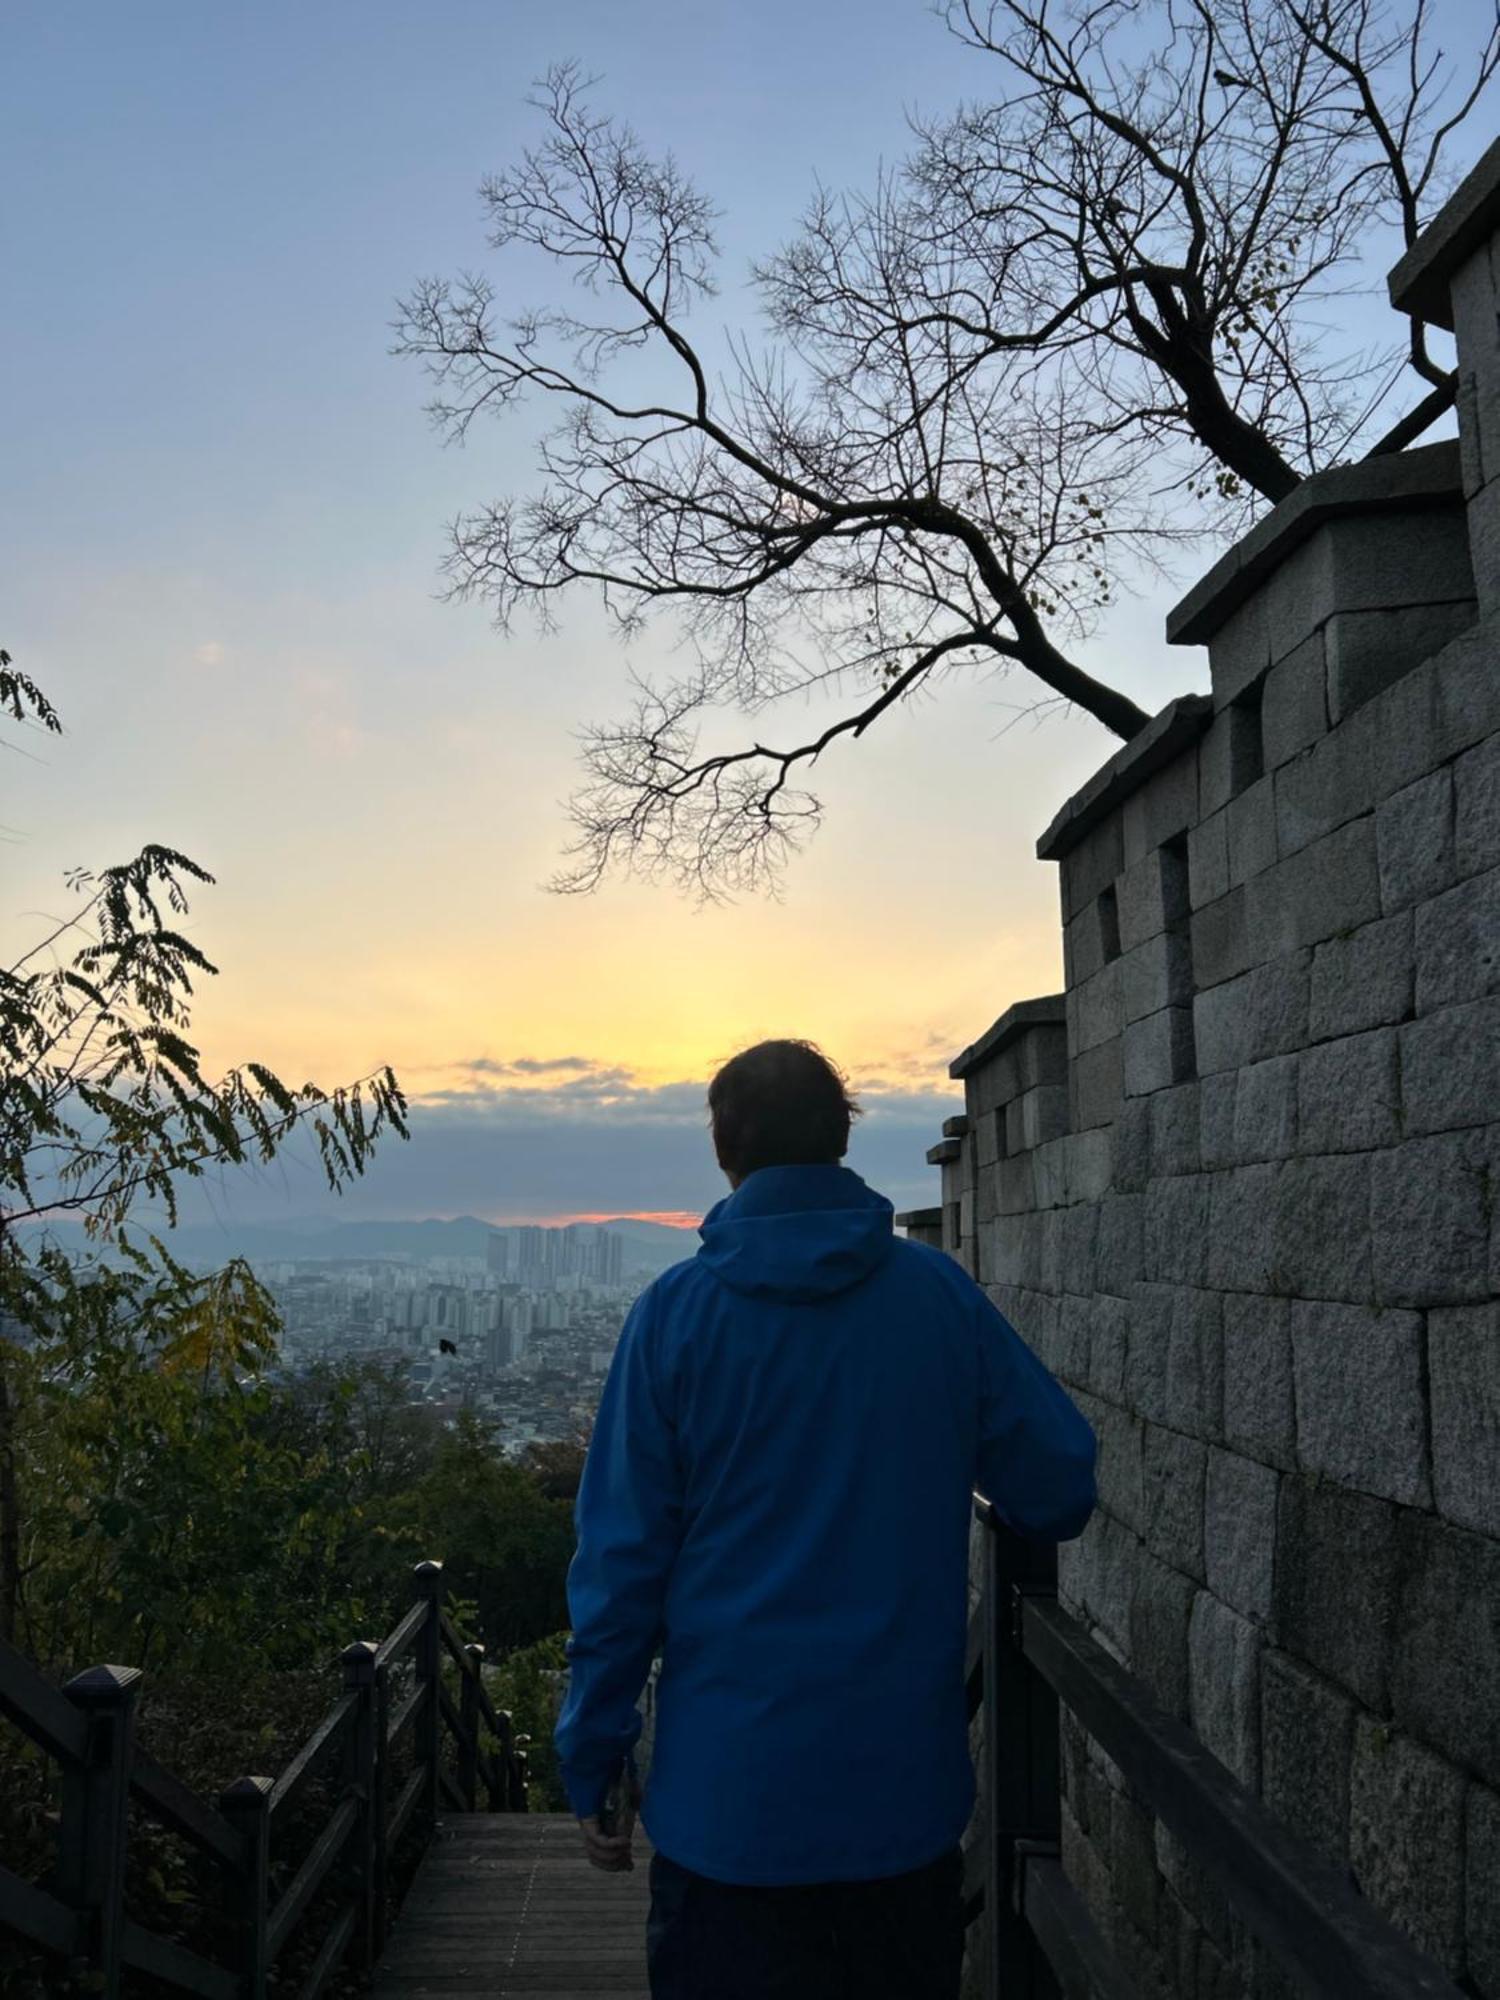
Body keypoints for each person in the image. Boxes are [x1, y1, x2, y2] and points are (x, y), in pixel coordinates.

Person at [555, 1038, 1097, 1999]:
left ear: (724, 1150)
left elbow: (620, 1563)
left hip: (725, 1815)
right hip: (898, 1806)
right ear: (843, 1139)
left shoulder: (672, 1317)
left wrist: (594, 1750)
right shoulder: (938, 1299)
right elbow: (1057, 1485)